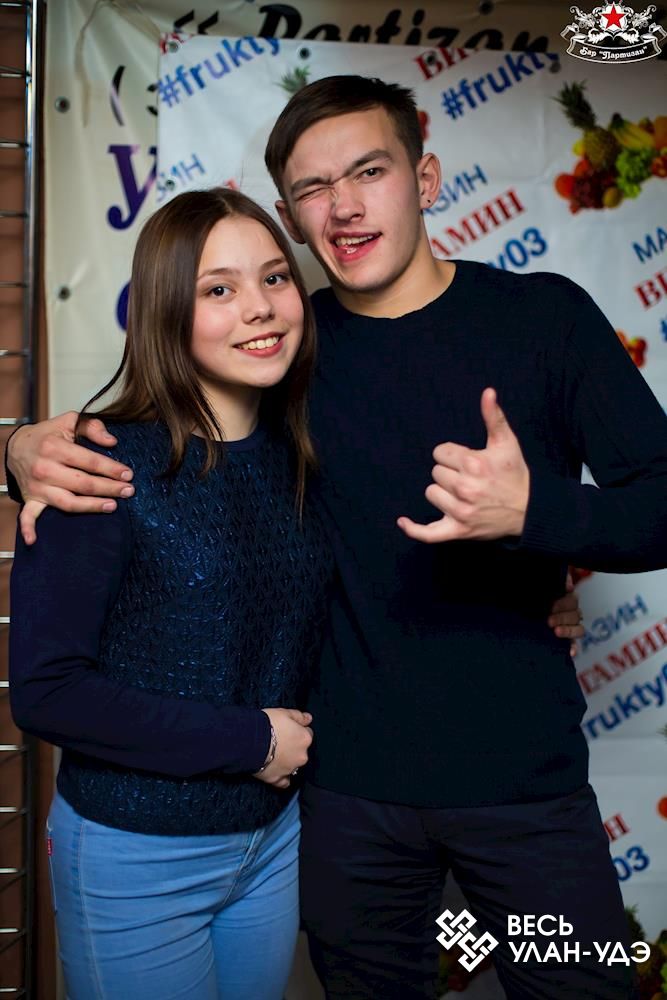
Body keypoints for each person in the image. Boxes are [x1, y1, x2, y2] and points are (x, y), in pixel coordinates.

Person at [5, 75, 643, 1000]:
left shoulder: (542, 319)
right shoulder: (289, 356)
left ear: (424, 178)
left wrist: (538, 519)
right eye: (313, 188)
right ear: (291, 217)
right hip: (346, 807)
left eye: (369, 171)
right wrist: (20, 448)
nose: (343, 206)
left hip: (523, 796)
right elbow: (163, 445)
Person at [9, 187, 333, 1000]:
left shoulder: (302, 453)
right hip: (136, 853)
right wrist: (249, 741)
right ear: (165, 312)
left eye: (274, 277)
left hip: (270, 841)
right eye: (218, 289)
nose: (258, 307)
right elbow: (47, 692)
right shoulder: (100, 467)